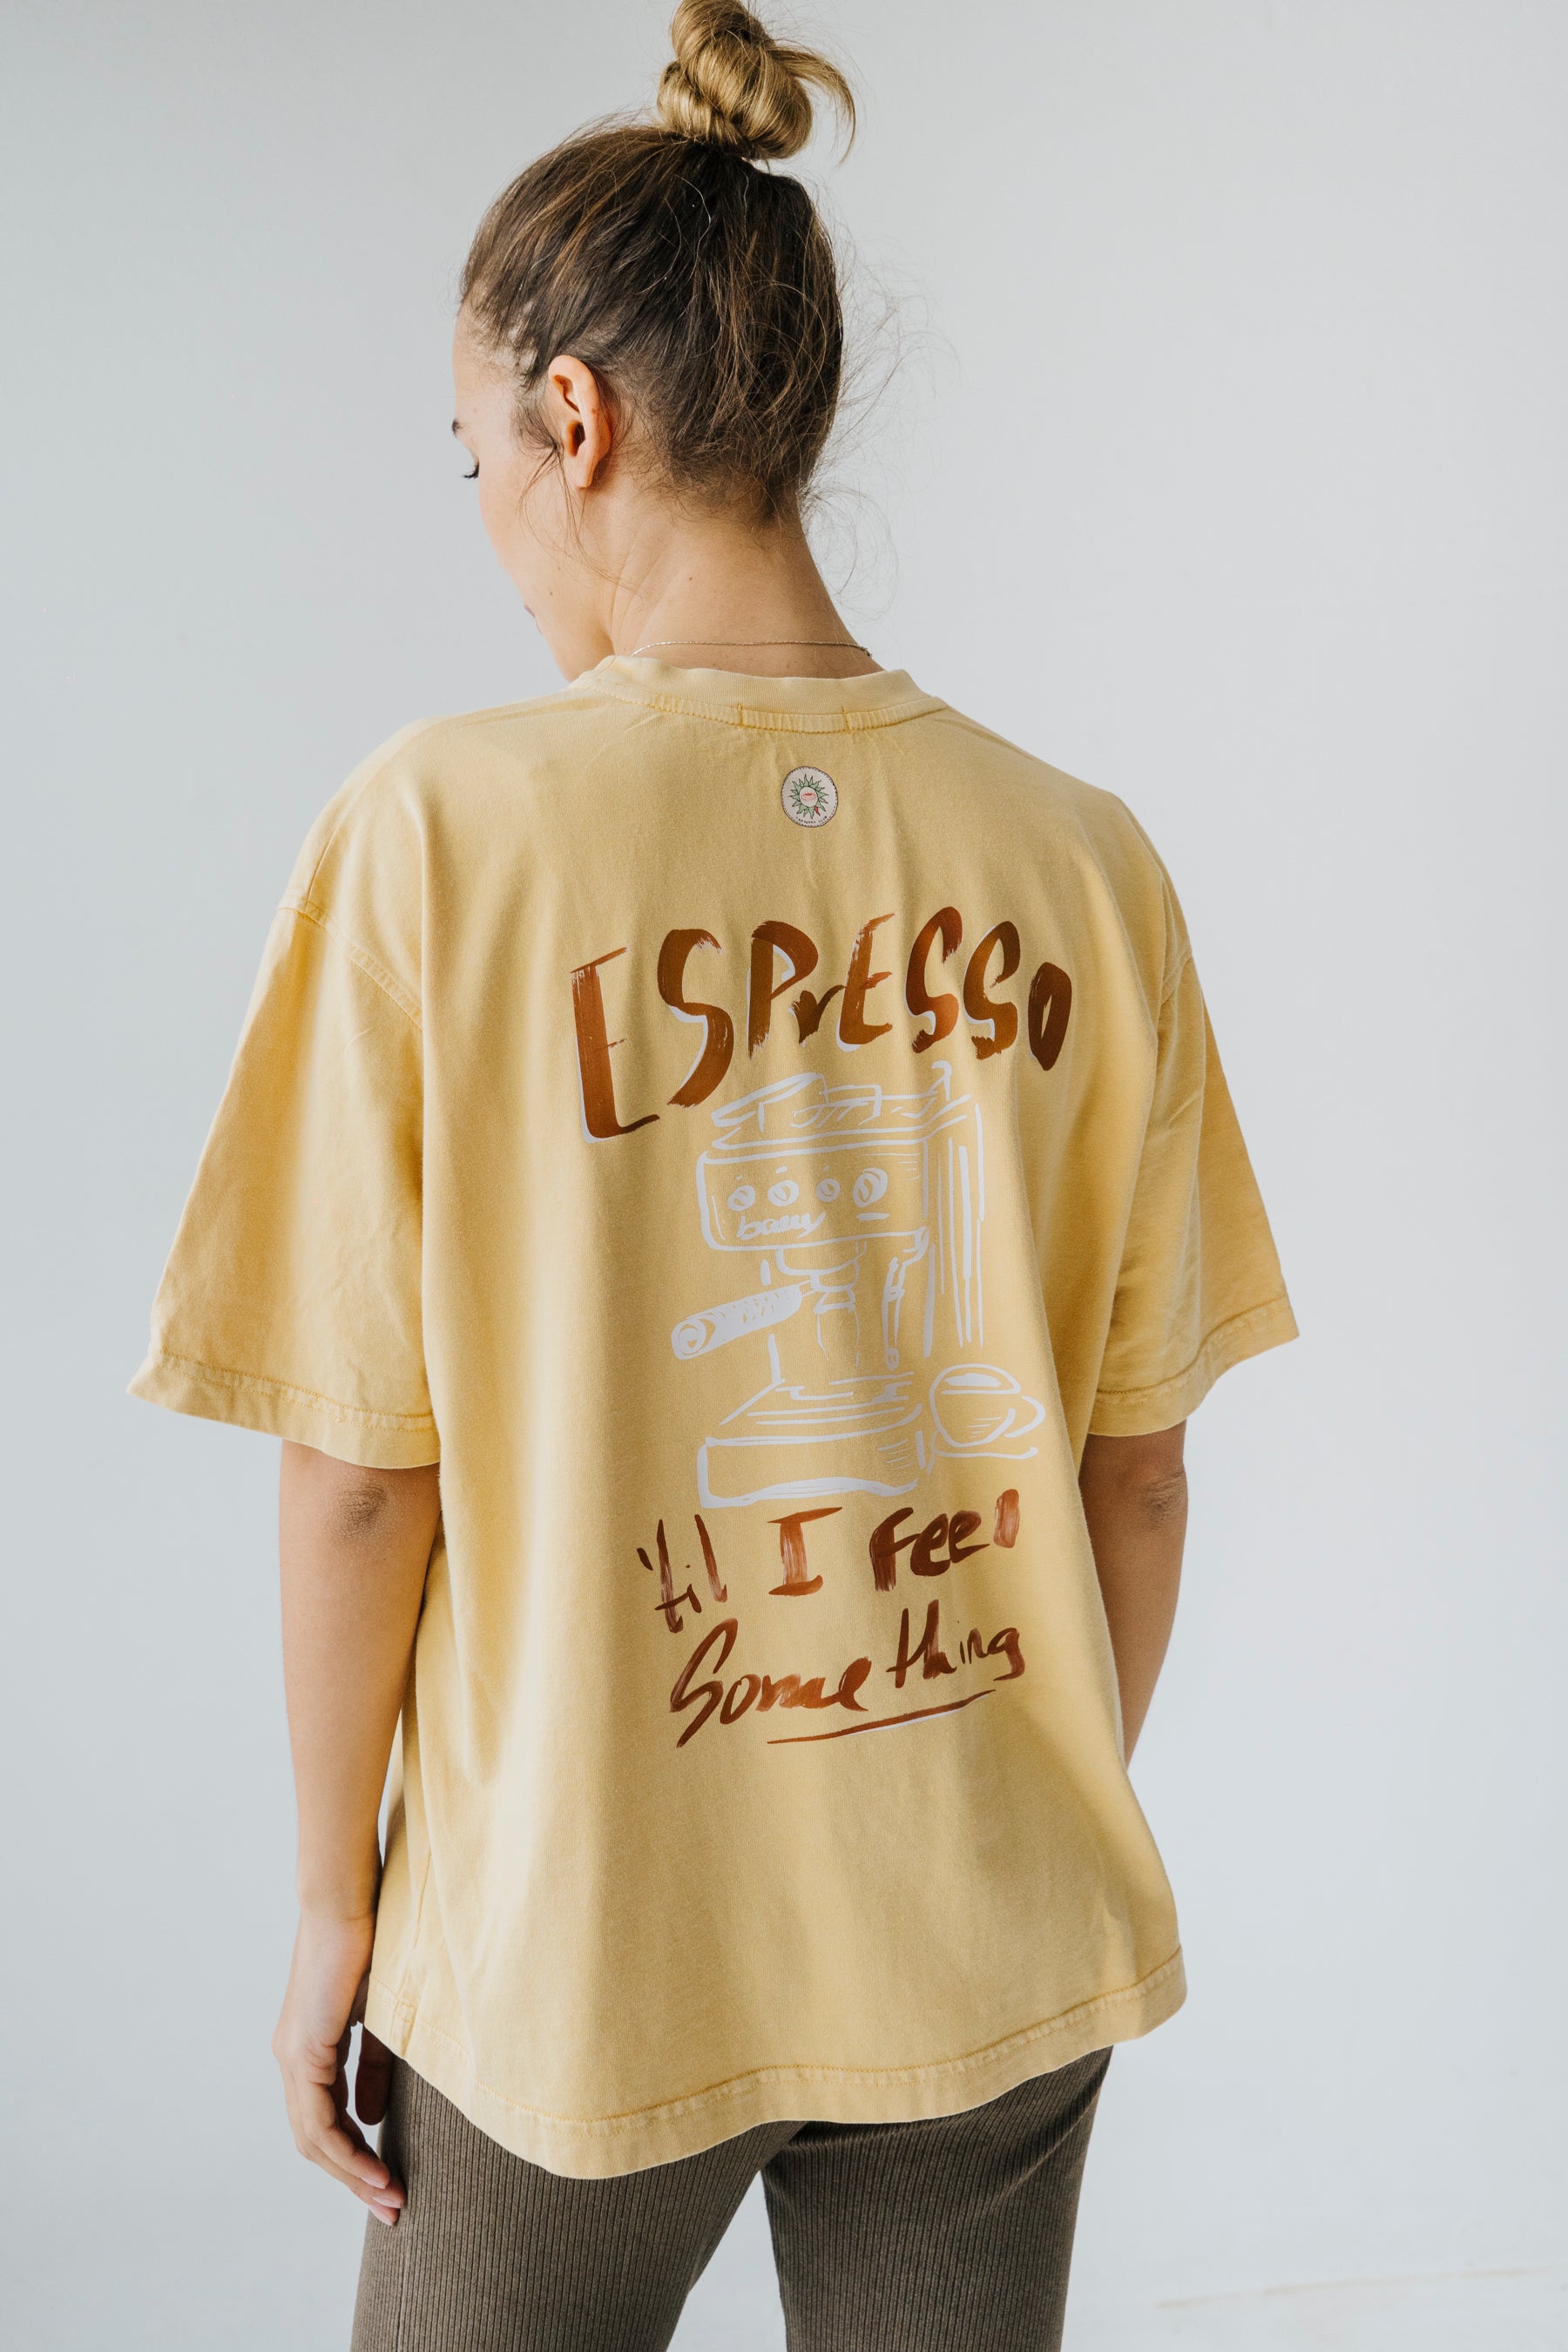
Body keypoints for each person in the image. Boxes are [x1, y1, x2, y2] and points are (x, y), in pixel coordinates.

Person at [131, 5, 1296, 2344]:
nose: (485, 514)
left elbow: (358, 1479)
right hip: (988, 1922)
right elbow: (1142, 1466)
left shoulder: (440, 832)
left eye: (470, 450)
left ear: (574, 422)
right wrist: (1005, 1798)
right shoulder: (1084, 860)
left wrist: (338, 1911)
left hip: (579, 1949)